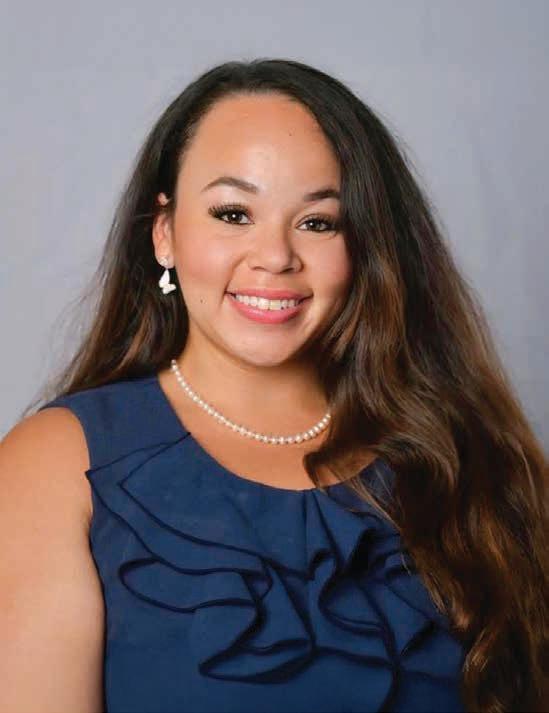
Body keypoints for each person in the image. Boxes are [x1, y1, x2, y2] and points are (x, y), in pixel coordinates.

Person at [1, 58, 547, 713]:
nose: (276, 257)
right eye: (233, 213)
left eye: (317, 222)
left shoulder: (471, 461)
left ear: (365, 245)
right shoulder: (59, 463)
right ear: (165, 233)